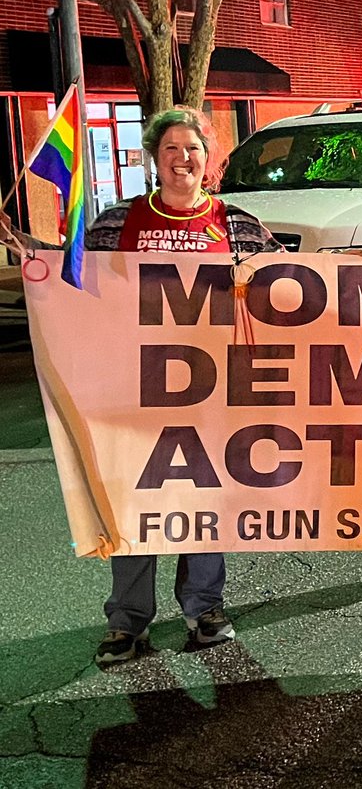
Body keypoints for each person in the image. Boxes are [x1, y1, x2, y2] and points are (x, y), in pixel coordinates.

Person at [0, 107, 283, 665]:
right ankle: (127, 622)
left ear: (210, 158)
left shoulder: (238, 224)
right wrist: (34, 255)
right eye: (172, 148)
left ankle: (205, 610)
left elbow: (287, 287)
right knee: (137, 503)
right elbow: (77, 286)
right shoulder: (116, 222)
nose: (184, 158)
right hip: (135, 393)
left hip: (214, 392)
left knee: (206, 504)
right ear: (155, 158)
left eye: (194, 148)